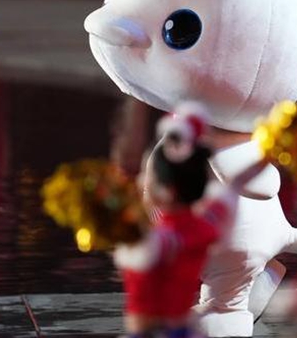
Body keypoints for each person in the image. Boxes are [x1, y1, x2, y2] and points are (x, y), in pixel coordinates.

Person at [114, 105, 266, 338]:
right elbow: (236, 183)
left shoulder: (157, 241)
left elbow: (122, 171)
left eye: (149, 177)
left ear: (168, 191)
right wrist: (271, 150)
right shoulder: (206, 227)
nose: (143, 180)